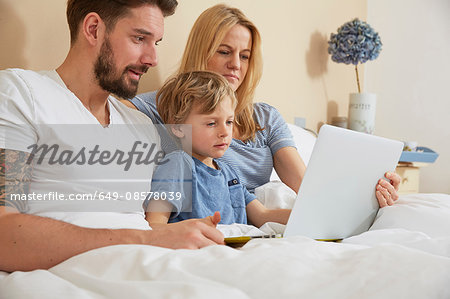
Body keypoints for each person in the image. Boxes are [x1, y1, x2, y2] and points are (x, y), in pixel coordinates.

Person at [0, 0, 224, 273]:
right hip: (82, 275)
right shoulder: (21, 94)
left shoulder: (141, 125)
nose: (152, 59)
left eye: (157, 43)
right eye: (140, 38)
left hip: (153, 267)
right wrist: (150, 239)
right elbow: (4, 234)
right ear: (93, 29)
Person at [123, 4, 401, 207]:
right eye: (224, 52)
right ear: (201, 50)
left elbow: (306, 187)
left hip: (251, 220)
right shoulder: (165, 107)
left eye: (244, 56)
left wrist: (368, 194)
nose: (235, 65)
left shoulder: (266, 117)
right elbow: (109, 112)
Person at [145, 71, 291, 228]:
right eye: (211, 123)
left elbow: (263, 215)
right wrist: (195, 228)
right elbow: (154, 225)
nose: (225, 132)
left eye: (229, 122)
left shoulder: (229, 173)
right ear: (179, 128)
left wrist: (307, 216)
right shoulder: (177, 164)